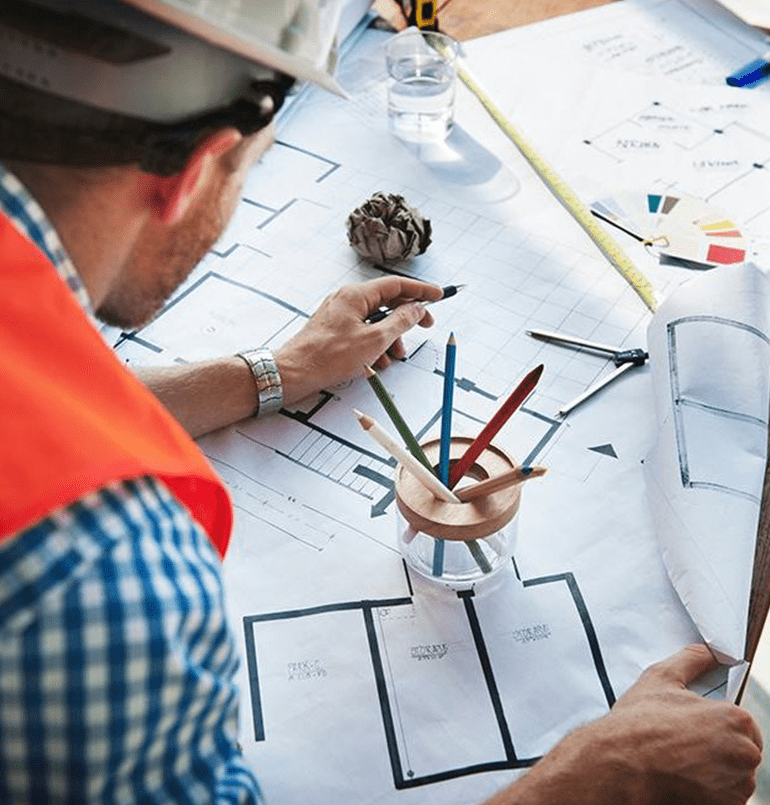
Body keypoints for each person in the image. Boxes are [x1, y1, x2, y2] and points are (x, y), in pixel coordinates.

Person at [0, 1, 761, 803]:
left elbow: (44, 390)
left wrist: (276, 370)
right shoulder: (100, 565)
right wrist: (589, 781)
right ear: (193, 172)